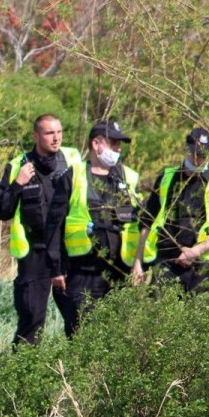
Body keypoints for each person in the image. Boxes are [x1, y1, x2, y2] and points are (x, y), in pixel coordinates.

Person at [0, 114, 83, 345]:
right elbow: (2, 211)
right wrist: (18, 183)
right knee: (31, 318)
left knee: (79, 318)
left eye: (59, 132)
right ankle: (24, 366)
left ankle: (81, 365)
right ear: (35, 136)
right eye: (49, 133)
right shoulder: (17, 166)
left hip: (67, 250)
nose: (56, 138)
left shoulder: (73, 160)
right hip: (35, 252)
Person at [58, 119, 144, 336]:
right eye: (113, 143)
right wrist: (56, 268)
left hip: (119, 272)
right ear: (96, 144)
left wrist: (138, 263)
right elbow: (54, 225)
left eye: (119, 144)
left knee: (117, 337)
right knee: (81, 334)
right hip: (82, 272)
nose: (118, 148)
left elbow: (144, 223)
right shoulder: (73, 175)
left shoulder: (130, 178)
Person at [131, 127, 209, 295]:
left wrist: (196, 251)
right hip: (167, 263)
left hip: (204, 267)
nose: (198, 160)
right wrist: (138, 263)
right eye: (195, 154)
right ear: (187, 150)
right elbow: (147, 220)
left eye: (203, 155)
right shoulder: (167, 177)